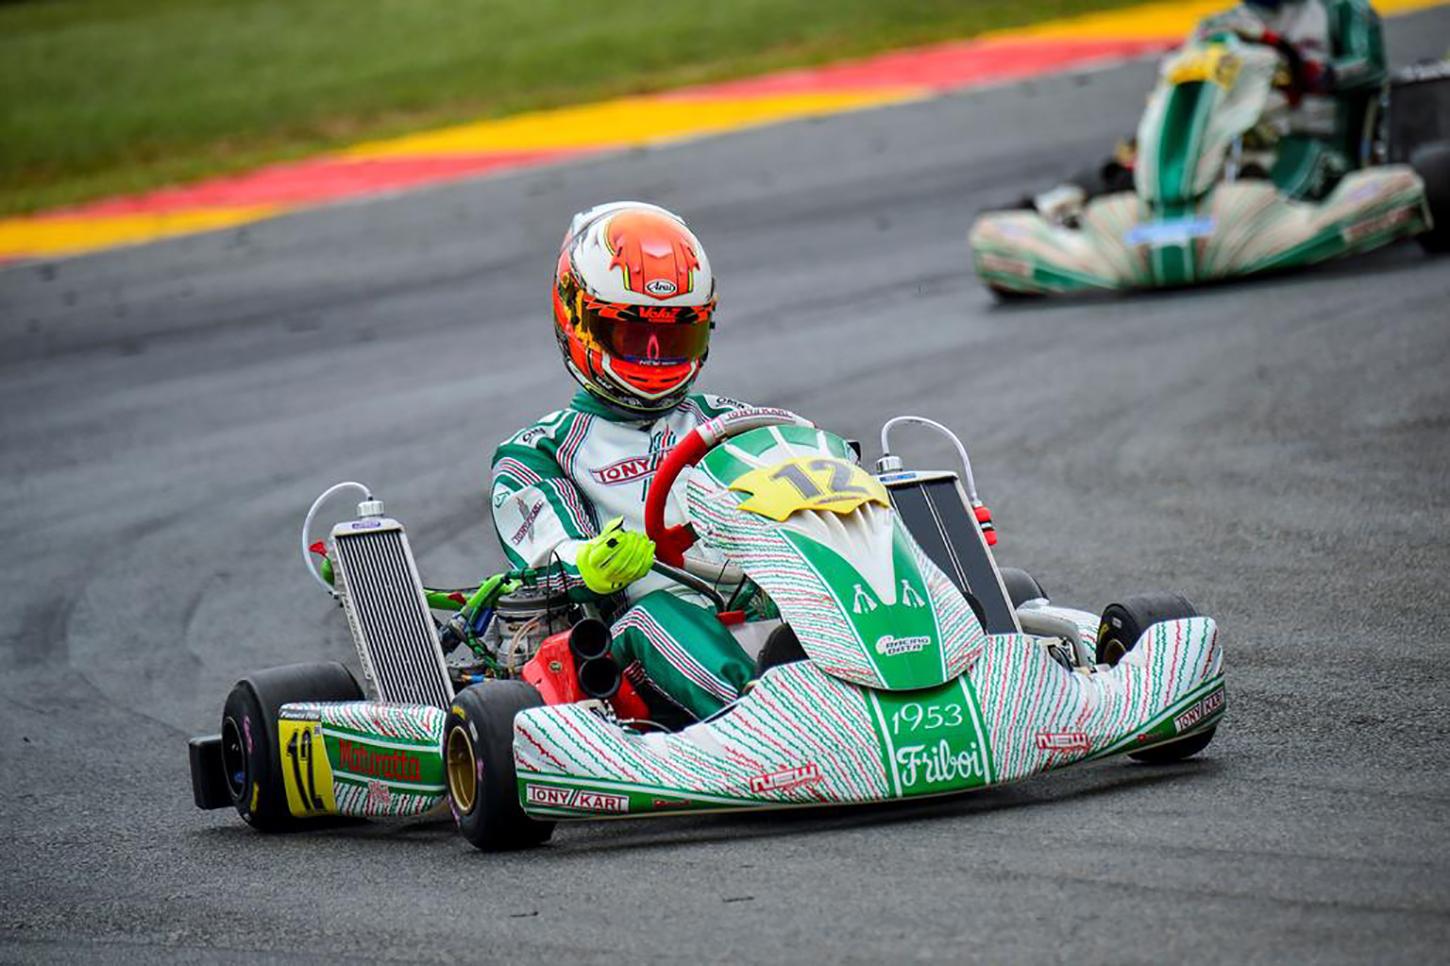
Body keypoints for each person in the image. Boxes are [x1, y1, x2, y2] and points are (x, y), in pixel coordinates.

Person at [489, 201, 763, 724]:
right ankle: (758, 721)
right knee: (657, 614)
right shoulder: (539, 452)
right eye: (634, 336)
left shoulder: (742, 422)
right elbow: (546, 556)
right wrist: (591, 561)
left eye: (676, 337)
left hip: (761, 609)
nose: (656, 357)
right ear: (580, 321)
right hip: (625, 650)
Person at [1197, 0, 1387, 198]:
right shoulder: (1222, 25)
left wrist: (1318, 74)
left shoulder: (1342, 9)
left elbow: (1371, 66)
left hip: (1316, 142)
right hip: (1241, 148)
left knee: (1272, 200)